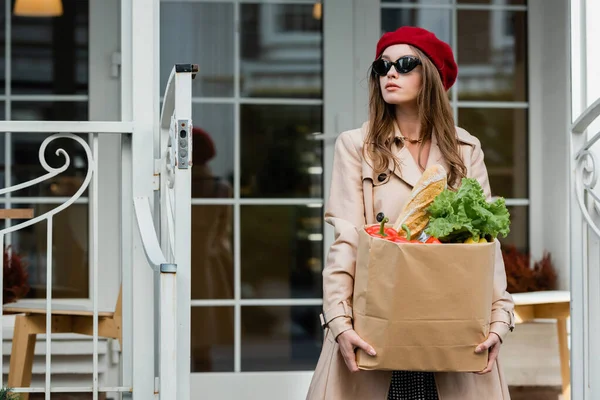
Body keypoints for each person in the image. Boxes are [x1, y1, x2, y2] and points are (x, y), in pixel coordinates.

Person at [306, 26, 515, 400]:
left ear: (431, 75)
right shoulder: (357, 147)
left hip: (452, 323)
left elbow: (486, 244)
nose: (390, 73)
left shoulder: (466, 150)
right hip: (376, 323)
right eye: (381, 66)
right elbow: (347, 237)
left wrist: (499, 319)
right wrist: (339, 321)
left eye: (404, 64)